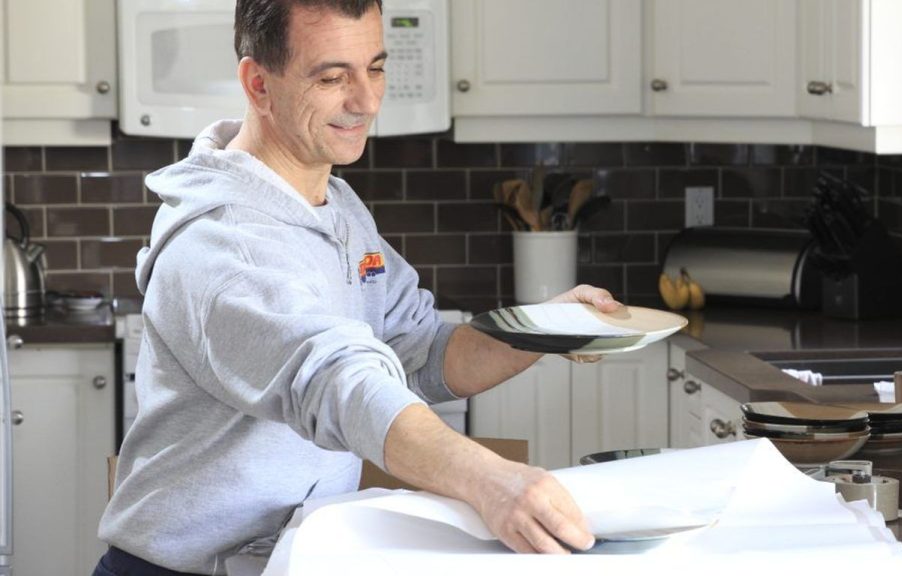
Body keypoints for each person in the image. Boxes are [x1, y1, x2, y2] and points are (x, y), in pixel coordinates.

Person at [93, 1, 621, 574]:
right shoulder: (223, 244)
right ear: (259, 83)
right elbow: (335, 381)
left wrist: (541, 328)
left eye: (374, 67)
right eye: (332, 76)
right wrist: (491, 481)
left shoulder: (336, 207)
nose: (367, 101)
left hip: (290, 557)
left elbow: (416, 350)